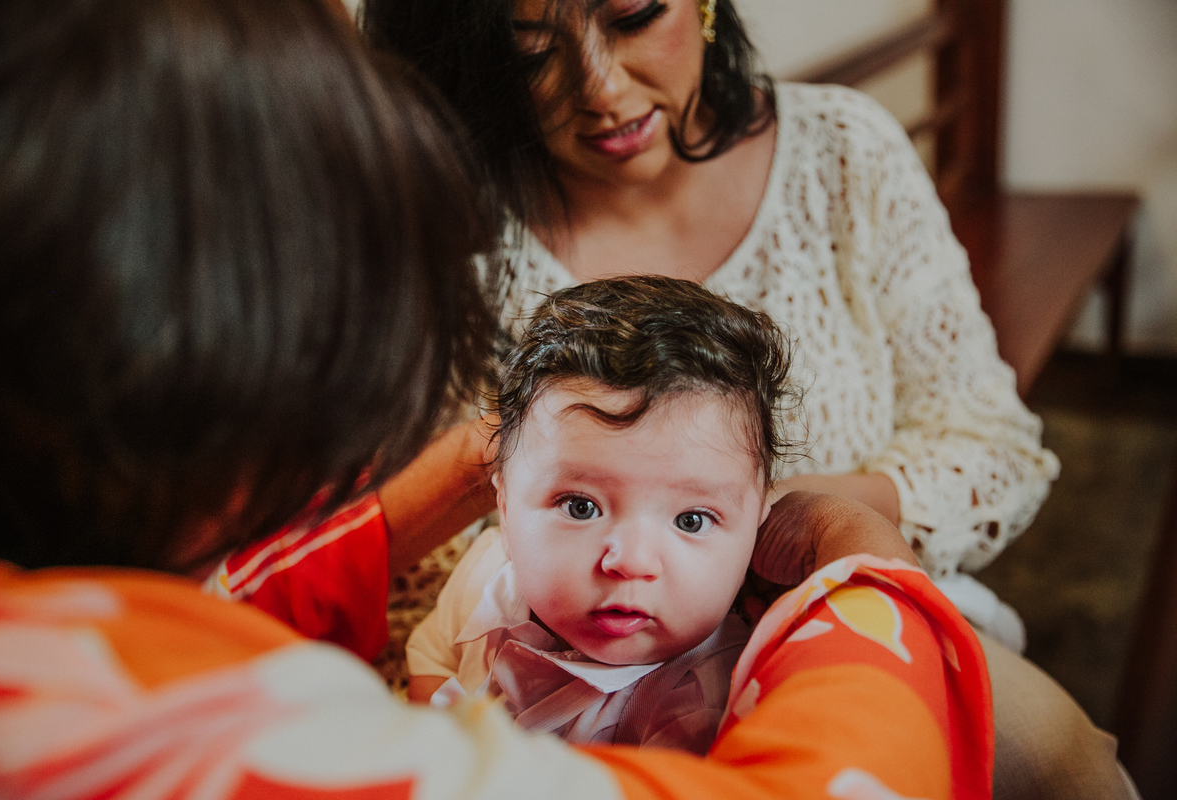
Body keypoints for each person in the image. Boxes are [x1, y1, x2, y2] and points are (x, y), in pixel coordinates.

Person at [0, 0, 994, 798]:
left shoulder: (52, 624)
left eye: (634, 13)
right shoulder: (235, 730)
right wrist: (866, 575)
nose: (600, 89)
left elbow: (211, 607)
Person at [357, 0, 1138, 797]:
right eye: (531, 50)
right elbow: (406, 565)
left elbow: (992, 443)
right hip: (546, 648)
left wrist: (772, 528)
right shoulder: (445, 235)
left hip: (830, 597)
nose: (602, 89)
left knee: (1066, 766)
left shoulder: (844, 155)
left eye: (633, 15)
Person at [406, 276, 792, 754]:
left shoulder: (711, 701)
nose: (629, 562)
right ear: (504, 508)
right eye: (580, 507)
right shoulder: (483, 579)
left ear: (757, 525)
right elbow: (430, 653)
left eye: (690, 520)